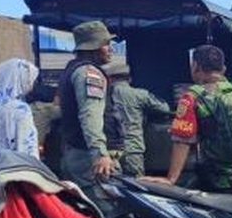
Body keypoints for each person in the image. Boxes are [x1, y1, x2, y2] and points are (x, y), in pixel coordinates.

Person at [164, 45, 232, 198]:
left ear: (196, 66)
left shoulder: (192, 98)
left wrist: (171, 179)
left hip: (217, 181)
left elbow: (182, 140)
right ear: (223, 68)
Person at [58, 21, 119, 190]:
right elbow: (90, 115)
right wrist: (100, 154)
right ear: (95, 46)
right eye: (106, 44)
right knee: (113, 212)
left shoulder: (71, 69)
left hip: (75, 153)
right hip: (89, 159)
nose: (110, 48)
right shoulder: (89, 73)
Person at [105, 62, 172, 177]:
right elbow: (165, 108)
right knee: (137, 186)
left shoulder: (102, 96)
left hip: (109, 151)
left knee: (111, 188)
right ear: (129, 79)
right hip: (133, 149)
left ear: (110, 79)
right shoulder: (139, 94)